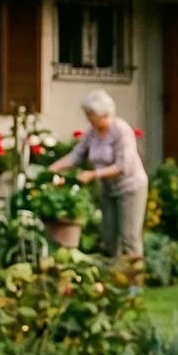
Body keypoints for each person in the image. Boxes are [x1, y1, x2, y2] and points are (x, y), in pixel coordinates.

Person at [49, 90, 148, 259]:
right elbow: (77, 154)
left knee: (129, 236)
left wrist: (93, 175)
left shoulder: (122, 131)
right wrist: (54, 168)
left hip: (130, 187)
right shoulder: (92, 132)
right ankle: (114, 276)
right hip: (108, 188)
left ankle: (134, 281)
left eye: (90, 114)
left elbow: (122, 166)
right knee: (109, 236)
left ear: (102, 114)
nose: (87, 118)